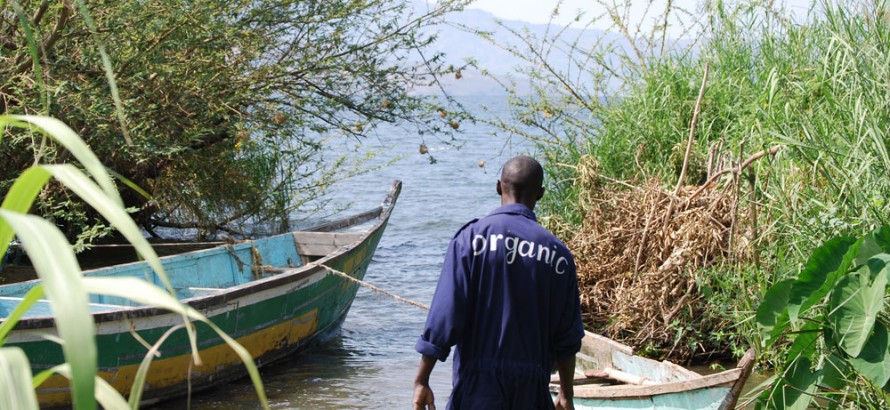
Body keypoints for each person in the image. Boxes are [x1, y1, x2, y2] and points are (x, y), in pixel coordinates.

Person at [413, 156, 584, 410]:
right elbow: (567, 336)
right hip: (532, 388)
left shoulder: (470, 239)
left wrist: (422, 379)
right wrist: (566, 394)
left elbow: (446, 316)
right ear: (541, 194)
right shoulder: (558, 255)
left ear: (497, 187)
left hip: (478, 388)